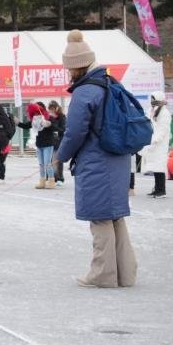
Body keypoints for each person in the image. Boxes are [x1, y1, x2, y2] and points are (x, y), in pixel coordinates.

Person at [55, 30, 137, 288]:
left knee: (100, 217)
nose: (69, 74)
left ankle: (102, 274)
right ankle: (126, 273)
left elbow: (75, 131)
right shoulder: (112, 82)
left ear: (76, 67)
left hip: (96, 161)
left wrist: (61, 156)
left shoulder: (85, 91)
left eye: (69, 70)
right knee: (115, 217)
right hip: (118, 158)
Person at [18, 101, 55, 188]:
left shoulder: (49, 117)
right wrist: (17, 122)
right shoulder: (35, 120)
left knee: (47, 163)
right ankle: (42, 181)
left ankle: (51, 181)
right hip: (39, 144)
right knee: (41, 164)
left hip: (48, 144)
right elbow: (26, 125)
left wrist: (49, 124)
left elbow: (56, 127)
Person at [142, 92, 171, 198]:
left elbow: (163, 130)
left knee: (160, 167)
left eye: (154, 99)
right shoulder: (151, 110)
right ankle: (156, 188)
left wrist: (155, 140)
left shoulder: (164, 113)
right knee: (154, 167)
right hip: (152, 142)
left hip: (159, 143)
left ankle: (161, 190)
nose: (152, 101)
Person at [47, 100, 67, 185]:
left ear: (56, 108)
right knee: (49, 161)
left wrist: (52, 125)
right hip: (49, 142)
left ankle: (60, 178)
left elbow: (62, 130)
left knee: (57, 161)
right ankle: (51, 177)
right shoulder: (48, 117)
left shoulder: (62, 117)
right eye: (50, 109)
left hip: (58, 141)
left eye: (52, 109)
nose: (51, 111)